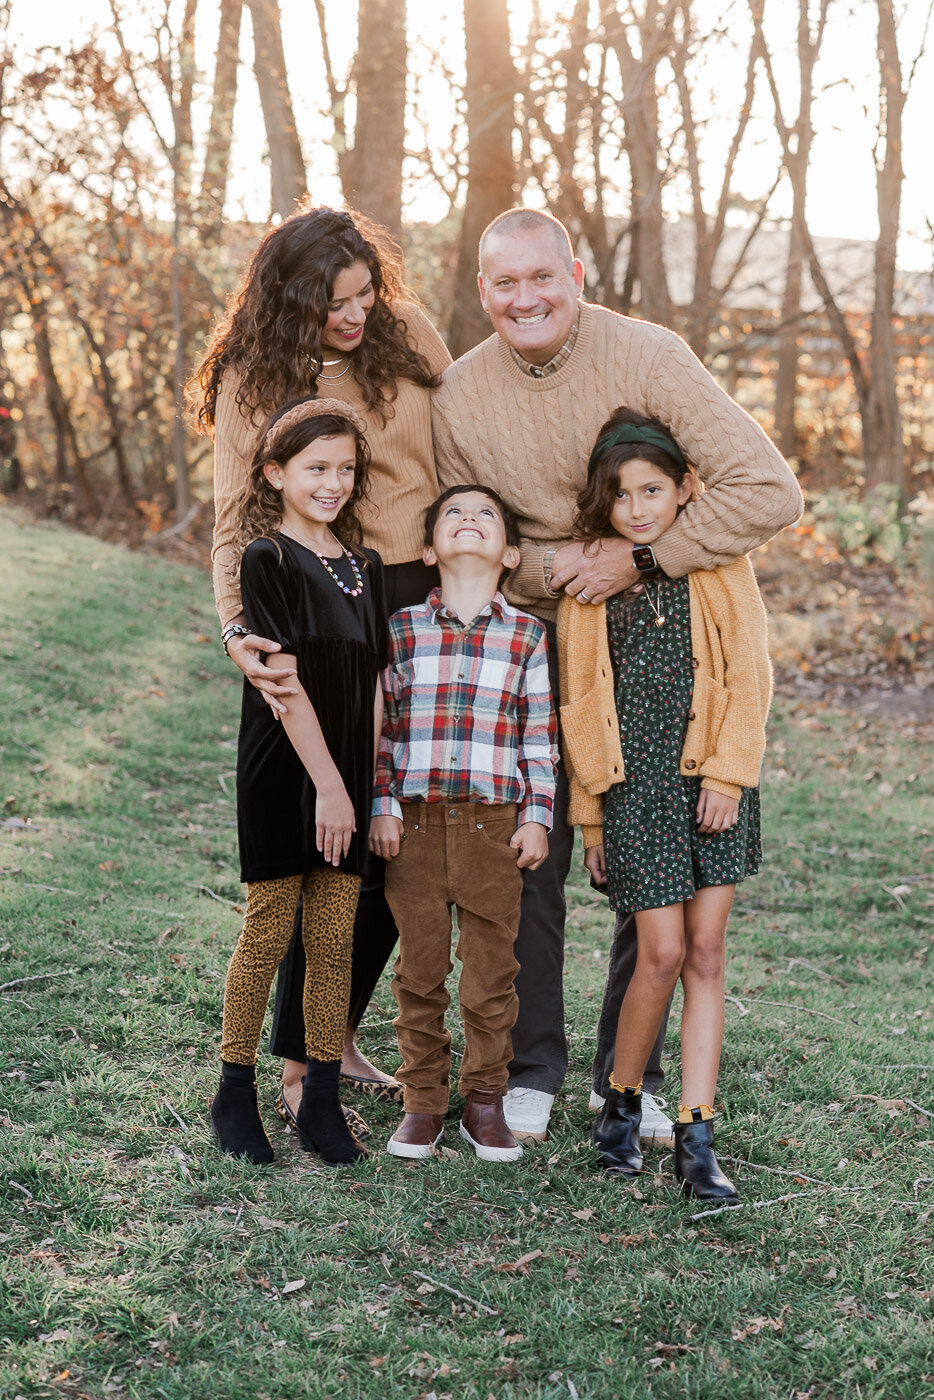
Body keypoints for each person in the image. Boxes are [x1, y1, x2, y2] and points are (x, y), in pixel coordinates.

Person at [431, 207, 802, 1143]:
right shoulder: (460, 397)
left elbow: (770, 490)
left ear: (577, 274)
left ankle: (618, 1077)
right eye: (504, 283)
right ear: (483, 292)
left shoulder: (649, 355)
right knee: (535, 860)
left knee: (652, 872)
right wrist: (558, 566)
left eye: (541, 278)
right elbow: (468, 530)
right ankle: (530, 1068)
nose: (525, 298)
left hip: (661, 646)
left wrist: (637, 560)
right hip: (533, 648)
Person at [191, 204, 451, 1122]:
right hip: (308, 601)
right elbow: (233, 522)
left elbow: (457, 448)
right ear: (291, 300)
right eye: (335, 302)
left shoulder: (408, 332)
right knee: (325, 834)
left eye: (365, 291)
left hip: (419, 590)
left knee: (400, 830)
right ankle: (305, 1064)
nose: (357, 313)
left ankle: (326, 1035)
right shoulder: (251, 376)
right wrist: (239, 636)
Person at [558, 409, 771, 1198]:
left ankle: (697, 1134)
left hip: (716, 784)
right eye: (620, 495)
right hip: (635, 793)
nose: (638, 507)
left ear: (685, 488)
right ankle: (619, 1100)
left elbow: (750, 675)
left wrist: (727, 775)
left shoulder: (719, 563)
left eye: (653, 488)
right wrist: (588, 818)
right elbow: (580, 708)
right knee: (661, 953)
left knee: (708, 954)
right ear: (602, 503)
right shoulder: (590, 587)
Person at [210, 398, 389, 1167]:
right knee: (270, 928)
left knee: (333, 939)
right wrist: (329, 788)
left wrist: (366, 786)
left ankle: (319, 1096)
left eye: (346, 469)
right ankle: (234, 1091)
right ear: (276, 473)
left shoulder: (364, 567)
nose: (334, 482)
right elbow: (280, 684)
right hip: (289, 772)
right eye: (317, 468)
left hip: (347, 776)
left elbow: (377, 681)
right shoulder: (268, 560)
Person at [368, 485, 557, 1162]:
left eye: (486, 515)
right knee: (418, 974)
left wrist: (537, 819)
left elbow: (538, 740)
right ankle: (422, 1102)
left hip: (491, 828)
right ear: (427, 549)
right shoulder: (400, 631)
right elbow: (384, 734)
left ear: (510, 553)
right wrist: (383, 806)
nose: (469, 520)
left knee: (489, 976)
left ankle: (484, 1102)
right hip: (413, 826)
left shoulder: (529, 636)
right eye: (454, 513)